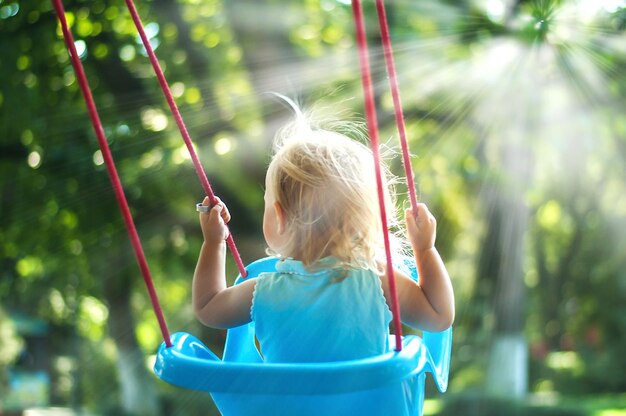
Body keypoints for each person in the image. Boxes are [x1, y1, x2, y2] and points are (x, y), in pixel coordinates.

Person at [192, 103, 454, 363]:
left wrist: (214, 243)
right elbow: (439, 315)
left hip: (287, 406)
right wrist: (425, 250)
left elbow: (208, 307)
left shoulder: (263, 292)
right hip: (372, 405)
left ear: (279, 217)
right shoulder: (378, 280)